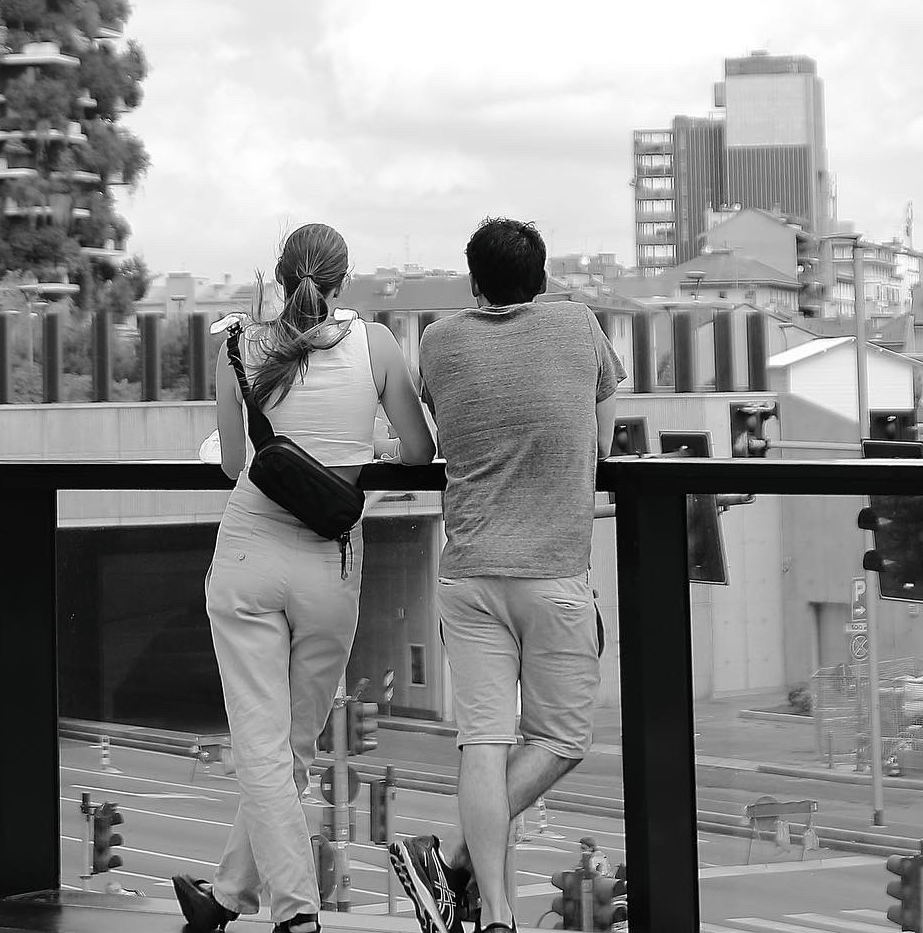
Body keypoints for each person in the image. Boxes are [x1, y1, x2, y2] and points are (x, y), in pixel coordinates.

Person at [173, 222, 435, 933]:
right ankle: (229, 898)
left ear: (282, 278)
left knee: (261, 745)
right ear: (343, 281)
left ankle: (291, 913)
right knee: (293, 746)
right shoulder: (377, 345)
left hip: (251, 555)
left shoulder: (240, 347)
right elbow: (417, 449)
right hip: (333, 561)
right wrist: (359, 446)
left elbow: (233, 463)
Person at [390, 217, 624, 933]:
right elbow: (604, 429)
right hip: (554, 570)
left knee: (482, 746)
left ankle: (494, 913)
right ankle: (450, 858)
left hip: (468, 575)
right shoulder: (579, 327)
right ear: (544, 279)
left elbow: (443, 421)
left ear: (473, 283)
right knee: (560, 740)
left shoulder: (437, 340)